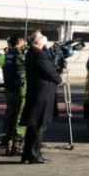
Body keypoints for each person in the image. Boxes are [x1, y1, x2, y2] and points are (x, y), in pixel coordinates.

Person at [19, 30, 62, 164]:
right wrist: (59, 78)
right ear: (37, 41)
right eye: (42, 36)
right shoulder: (39, 55)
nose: (44, 38)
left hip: (38, 92)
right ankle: (34, 155)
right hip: (42, 93)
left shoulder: (33, 53)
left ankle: (29, 154)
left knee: (34, 125)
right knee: (39, 125)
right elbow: (49, 71)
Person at [1, 34, 27, 156]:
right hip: (20, 90)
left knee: (11, 116)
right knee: (20, 117)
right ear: (19, 42)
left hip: (10, 90)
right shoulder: (20, 56)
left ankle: (9, 144)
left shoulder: (7, 56)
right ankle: (17, 145)